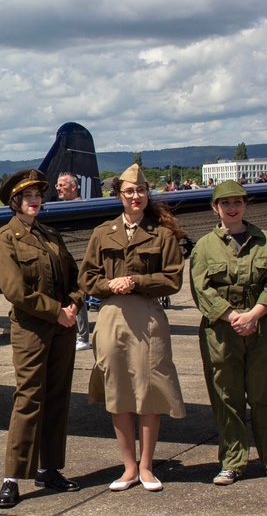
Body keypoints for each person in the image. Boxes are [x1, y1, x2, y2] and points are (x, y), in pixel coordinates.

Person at [79, 164, 186, 493]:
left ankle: (147, 466)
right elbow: (86, 278)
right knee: (120, 391)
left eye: (140, 191)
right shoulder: (102, 232)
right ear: (118, 195)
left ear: (147, 193)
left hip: (148, 316)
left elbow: (173, 279)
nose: (135, 196)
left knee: (150, 391)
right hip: (112, 316)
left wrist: (136, 280)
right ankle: (128, 467)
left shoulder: (162, 234)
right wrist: (110, 284)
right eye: (129, 191)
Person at [189, 180, 267, 486]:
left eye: (237, 202)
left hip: (262, 328)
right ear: (215, 208)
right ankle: (232, 461)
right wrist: (234, 316)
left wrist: (254, 315)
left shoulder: (266, 240)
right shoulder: (205, 246)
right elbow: (201, 288)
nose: (232, 208)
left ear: (245, 205)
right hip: (222, 331)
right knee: (227, 397)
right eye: (225, 204)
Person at [0, 169, 85, 509]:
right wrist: (56, 310)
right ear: (15, 200)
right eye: (28, 196)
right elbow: (15, 289)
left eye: (38, 195)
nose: (34, 200)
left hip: (63, 327)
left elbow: (74, 276)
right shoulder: (4, 238)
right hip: (32, 329)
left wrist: (74, 303)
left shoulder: (50, 234)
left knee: (57, 397)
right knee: (29, 398)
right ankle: (12, 478)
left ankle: (49, 468)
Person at [55, 172, 91, 352]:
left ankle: (83, 337)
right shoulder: (57, 208)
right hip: (65, 260)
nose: (59, 189)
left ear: (73, 186)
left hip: (79, 259)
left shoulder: (82, 207)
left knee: (78, 296)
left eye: (62, 185)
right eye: (58, 186)